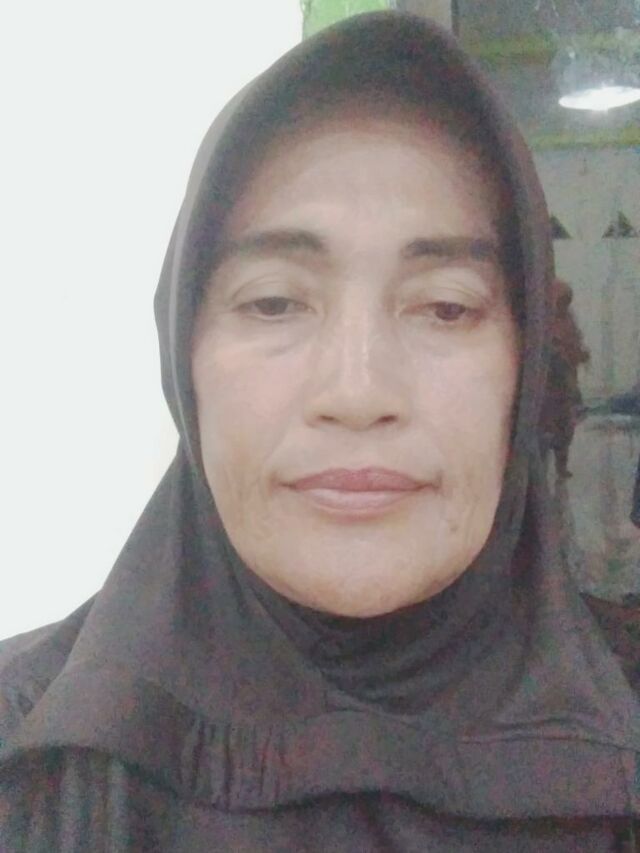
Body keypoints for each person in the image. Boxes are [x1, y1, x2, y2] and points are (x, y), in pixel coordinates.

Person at [1, 11, 639, 851]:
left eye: (446, 307)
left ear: (524, 369)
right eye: (274, 302)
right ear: (183, 355)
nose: (358, 392)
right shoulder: (30, 764)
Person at [539, 278, 590, 479]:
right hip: (547, 385)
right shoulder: (541, 321)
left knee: (565, 426)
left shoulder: (568, 320)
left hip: (565, 383)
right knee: (544, 427)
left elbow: (576, 344)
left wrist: (580, 354)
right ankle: (540, 468)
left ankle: (561, 465)